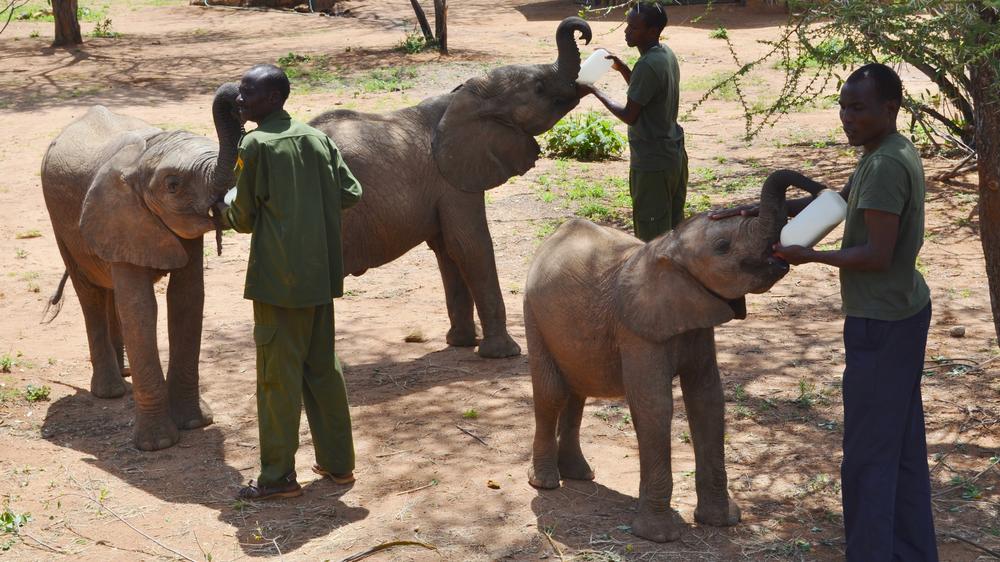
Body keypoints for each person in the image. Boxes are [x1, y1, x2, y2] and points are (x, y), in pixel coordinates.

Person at [711, 63, 937, 560]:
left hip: (881, 322)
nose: (846, 117)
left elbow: (876, 254)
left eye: (858, 108)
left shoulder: (881, 166)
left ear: (890, 108)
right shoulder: (890, 152)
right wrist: (761, 211)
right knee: (898, 447)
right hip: (904, 312)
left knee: (868, 457)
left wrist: (810, 256)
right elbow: (839, 204)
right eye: (842, 106)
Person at [220, 64, 363, 500]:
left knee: (277, 379)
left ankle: (278, 477)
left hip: (278, 285)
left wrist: (224, 203)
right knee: (322, 369)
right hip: (319, 278)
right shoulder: (318, 139)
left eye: (248, 94)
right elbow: (350, 192)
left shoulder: (256, 145)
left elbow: (241, 218)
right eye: (240, 92)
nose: (239, 100)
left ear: (274, 99)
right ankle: (339, 464)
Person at [577, 2, 687, 241]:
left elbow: (630, 114)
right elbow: (646, 91)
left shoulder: (647, 65)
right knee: (672, 233)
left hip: (652, 163)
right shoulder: (664, 54)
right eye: (628, 26)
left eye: (634, 27)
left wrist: (595, 91)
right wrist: (623, 67)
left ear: (652, 31)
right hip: (672, 154)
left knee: (653, 239)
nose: (627, 31)